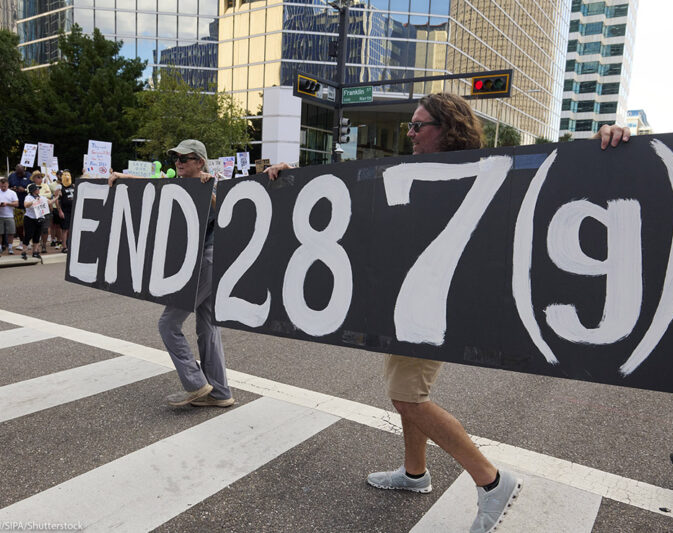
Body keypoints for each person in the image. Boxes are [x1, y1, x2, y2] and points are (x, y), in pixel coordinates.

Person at [267, 93, 630, 533]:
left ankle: (491, 481)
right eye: (410, 125)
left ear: (447, 128)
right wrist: (291, 181)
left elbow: (554, 188)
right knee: (406, 396)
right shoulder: (408, 174)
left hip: (435, 306)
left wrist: (606, 148)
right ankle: (415, 473)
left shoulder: (491, 169)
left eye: (419, 126)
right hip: (401, 303)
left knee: (407, 398)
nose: (410, 133)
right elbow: (350, 206)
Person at [110, 139, 234, 408]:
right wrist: (124, 177)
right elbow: (152, 188)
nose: (177, 163)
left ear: (200, 161)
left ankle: (196, 383)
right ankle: (220, 393)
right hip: (203, 262)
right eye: (175, 158)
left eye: (184, 158)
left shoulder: (211, 183)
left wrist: (210, 189)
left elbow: (229, 212)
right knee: (208, 328)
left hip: (208, 261)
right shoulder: (180, 185)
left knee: (168, 323)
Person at [21, 182, 57, 260]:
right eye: (37, 189)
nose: (39, 190)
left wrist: (57, 197)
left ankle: (35, 252)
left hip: (39, 218)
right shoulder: (28, 197)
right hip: (30, 218)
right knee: (28, 235)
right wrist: (34, 201)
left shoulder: (41, 197)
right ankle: (24, 252)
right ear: (33, 190)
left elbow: (50, 202)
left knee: (37, 235)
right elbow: (25, 205)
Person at [0, 178, 18, 255]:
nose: (3, 188)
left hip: (9, 215)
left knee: (11, 232)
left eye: (5, 186)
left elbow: (16, 203)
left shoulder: (12, 193)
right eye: (2, 186)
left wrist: (7, 204)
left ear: (8, 185)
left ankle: (10, 247)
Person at [55, 170, 74, 254]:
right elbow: (57, 200)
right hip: (65, 210)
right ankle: (64, 247)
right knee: (65, 229)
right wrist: (60, 211)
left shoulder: (73, 186)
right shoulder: (59, 187)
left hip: (73, 210)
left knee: (71, 229)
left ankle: (70, 244)